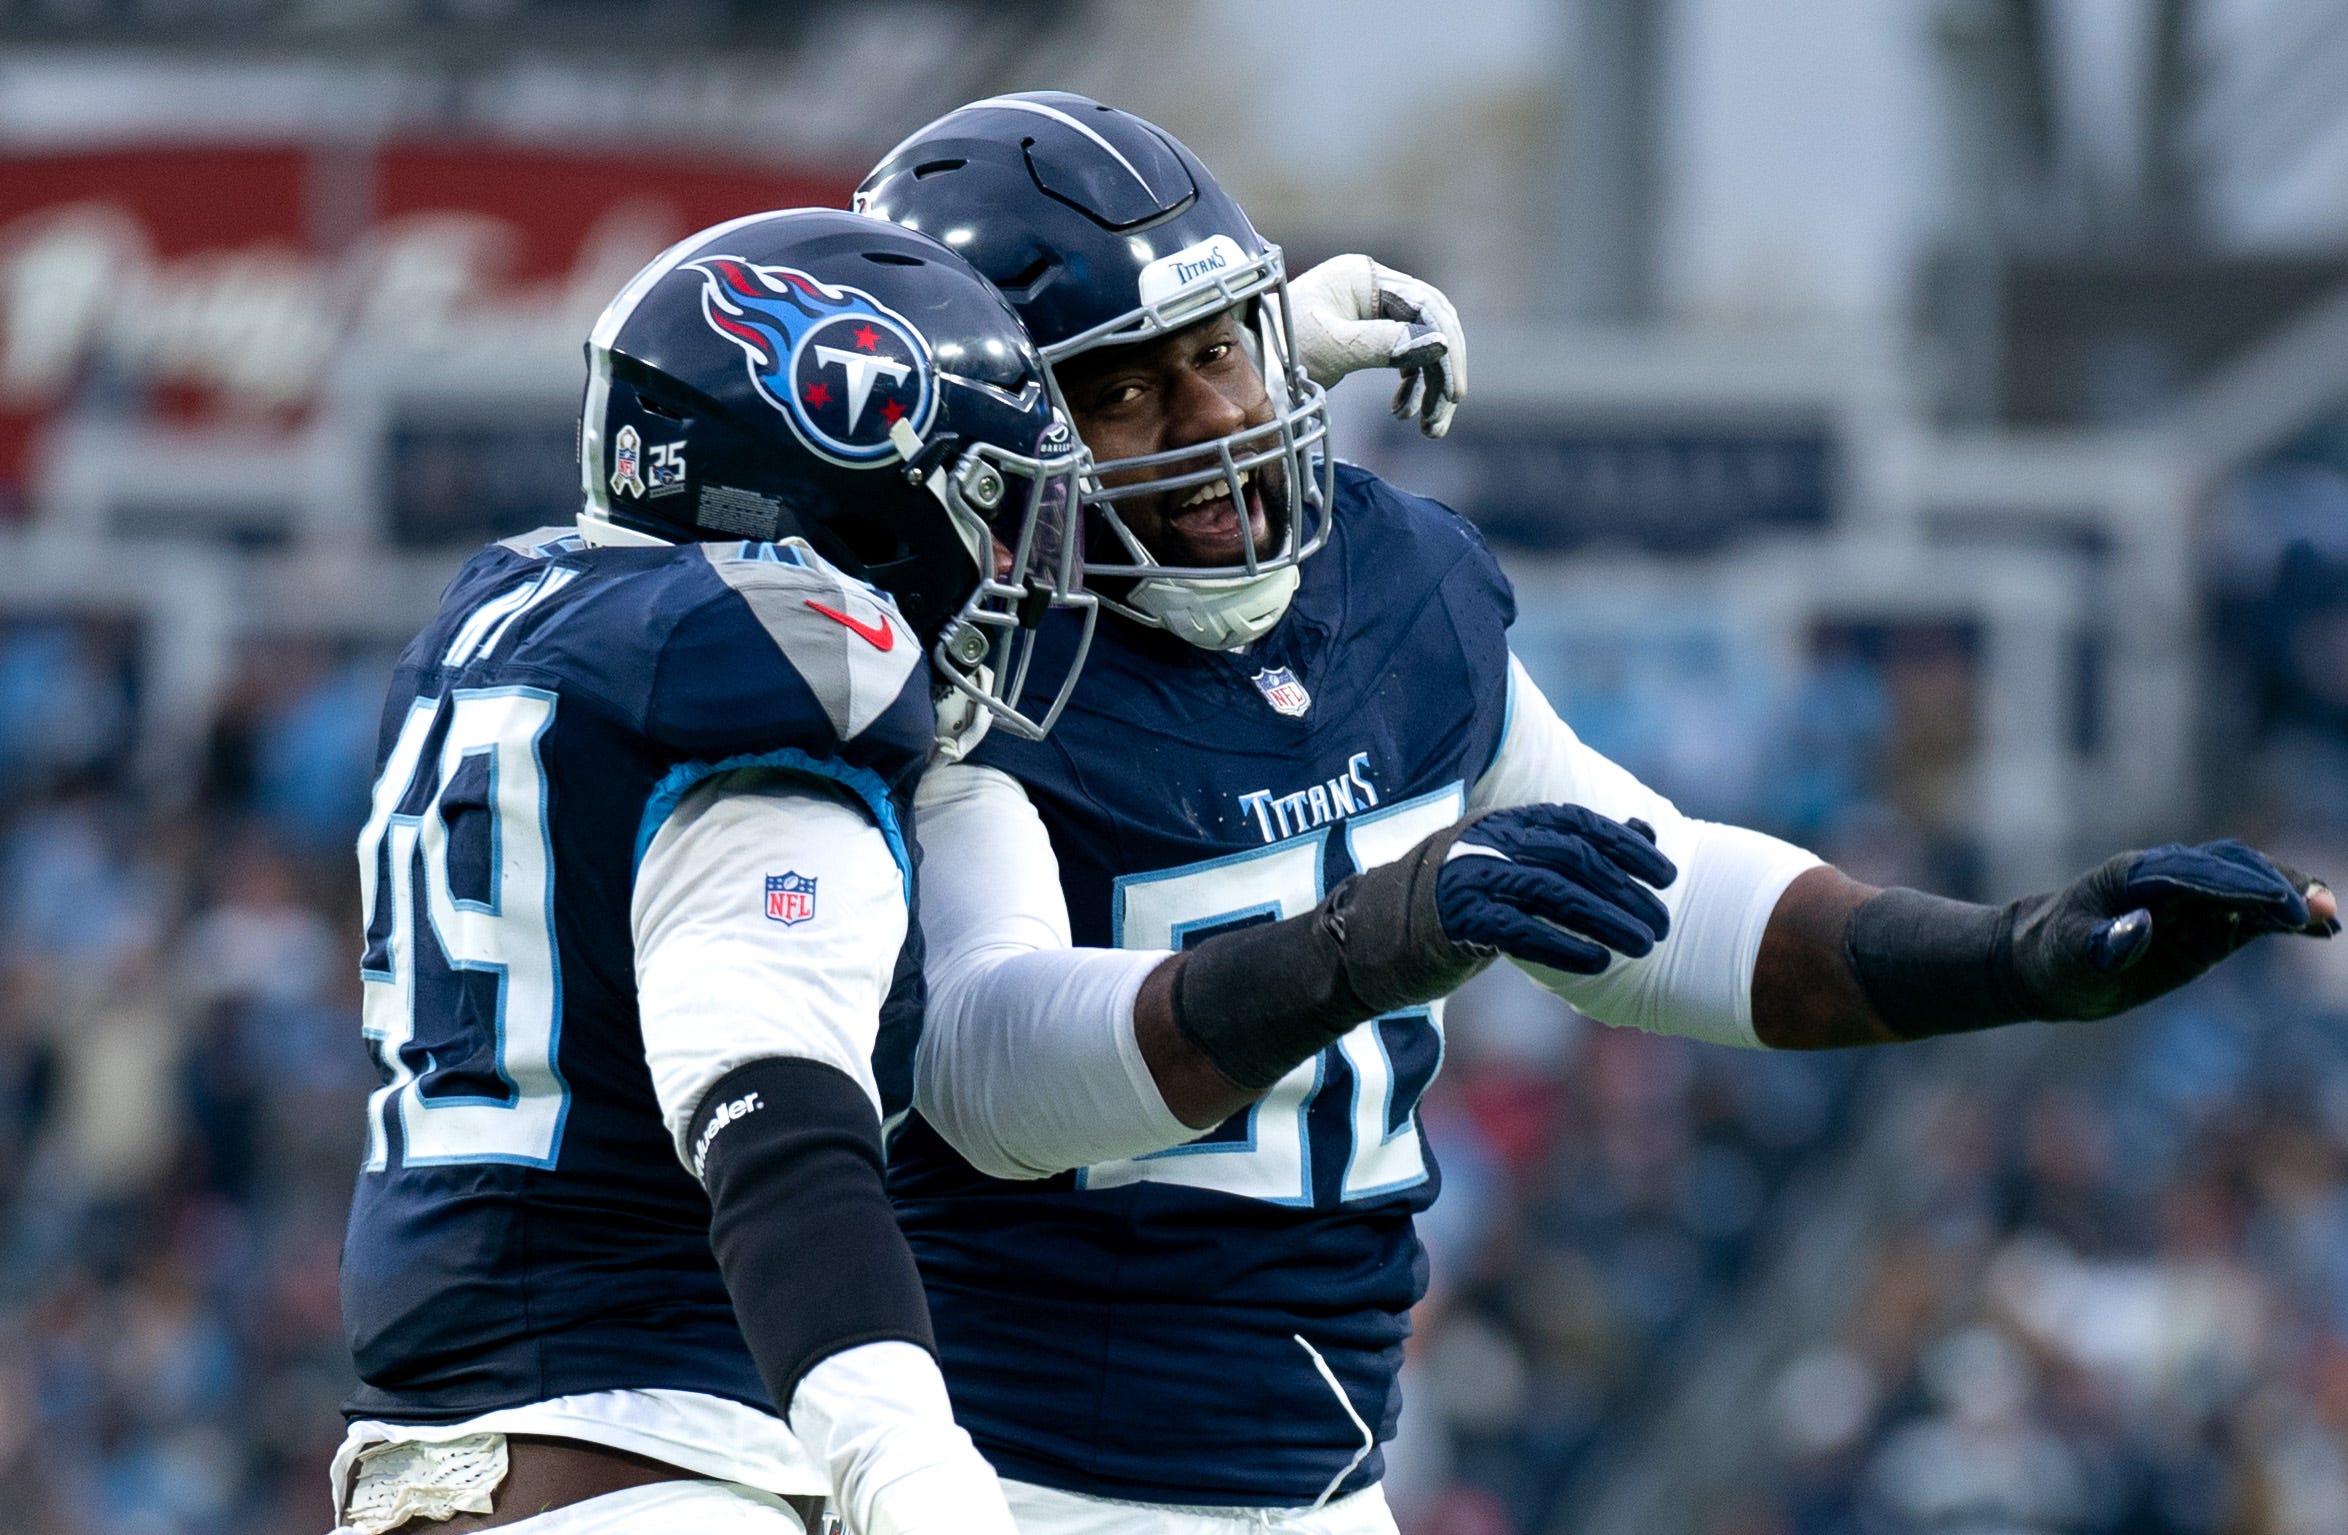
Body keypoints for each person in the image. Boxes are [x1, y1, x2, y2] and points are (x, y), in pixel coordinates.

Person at [852, 94, 2340, 1535]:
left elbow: (1653, 895)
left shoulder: (1383, 579)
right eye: (1125, 388)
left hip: (1328, 1482)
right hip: (1013, 1482)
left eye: (1225, 351)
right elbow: (991, 1074)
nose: (1219, 425)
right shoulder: (951, 663)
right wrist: (1366, 946)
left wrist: (2010, 957)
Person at [331, 208, 1095, 1535]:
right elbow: (770, 1114)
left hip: (450, 1465)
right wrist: (912, 1471)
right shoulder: (761, 664)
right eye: (981, 509)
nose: (1009, 578)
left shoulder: (515, 611)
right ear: (848, 483)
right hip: (644, 1482)